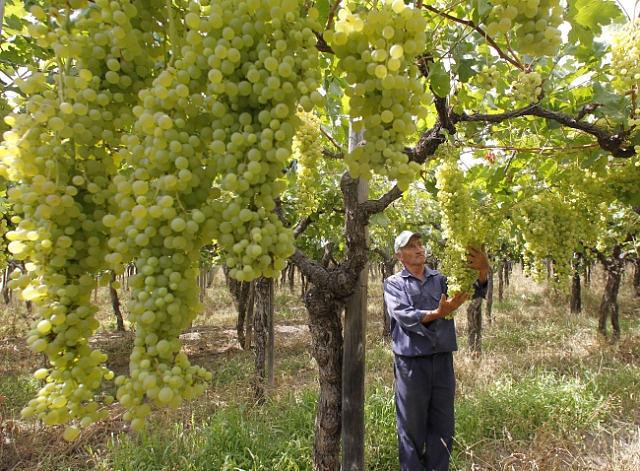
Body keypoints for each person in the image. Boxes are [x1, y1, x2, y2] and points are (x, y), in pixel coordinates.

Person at [383, 230, 489, 471]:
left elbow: (475, 290)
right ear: (400, 255)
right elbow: (404, 316)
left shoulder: (441, 279)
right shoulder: (394, 284)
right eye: (411, 246)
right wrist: (439, 313)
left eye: (420, 244)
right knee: (411, 428)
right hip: (411, 364)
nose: (419, 249)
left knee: (443, 427)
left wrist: (483, 269)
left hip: (442, 361)